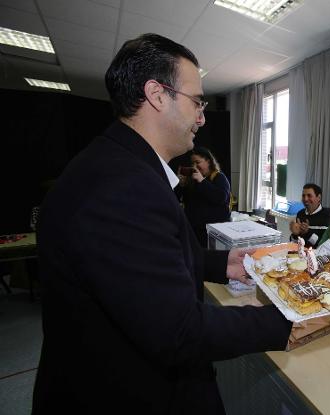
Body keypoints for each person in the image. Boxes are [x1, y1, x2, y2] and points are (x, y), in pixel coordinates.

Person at [32, 33, 292, 414]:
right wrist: (287, 321)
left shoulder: (120, 166)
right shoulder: (123, 187)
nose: (202, 116)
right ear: (157, 94)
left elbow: (148, 263)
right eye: (196, 101)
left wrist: (229, 263)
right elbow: (178, 332)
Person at [177, 146, 231, 247]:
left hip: (213, 233)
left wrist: (202, 181)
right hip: (194, 231)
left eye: (197, 162)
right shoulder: (192, 179)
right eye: (192, 163)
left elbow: (220, 198)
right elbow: (180, 200)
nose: (194, 166)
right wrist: (181, 185)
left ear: (208, 161)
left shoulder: (219, 177)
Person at [289, 183, 330, 248]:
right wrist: (295, 234)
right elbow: (294, 244)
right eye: (303, 196)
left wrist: (308, 233)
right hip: (300, 255)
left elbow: (322, 245)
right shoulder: (300, 214)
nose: (305, 199)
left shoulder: (328, 215)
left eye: (309, 196)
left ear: (319, 198)